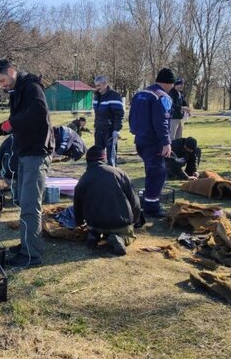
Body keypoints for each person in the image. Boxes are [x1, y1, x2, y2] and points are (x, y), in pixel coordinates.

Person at [0, 59, 54, 267]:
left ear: (12, 71)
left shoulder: (31, 87)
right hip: (25, 153)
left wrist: (10, 124)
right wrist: (0, 128)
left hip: (37, 152)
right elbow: (19, 118)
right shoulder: (17, 90)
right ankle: (26, 245)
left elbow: (38, 112)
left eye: (3, 80)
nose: (3, 85)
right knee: (24, 203)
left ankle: (31, 255)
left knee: (31, 206)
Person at [73, 146, 142, 256]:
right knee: (129, 235)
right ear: (104, 159)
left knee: (98, 228)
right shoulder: (120, 173)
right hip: (121, 223)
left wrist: (79, 223)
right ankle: (121, 239)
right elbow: (135, 202)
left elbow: (77, 205)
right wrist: (135, 219)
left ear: (87, 161)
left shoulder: (83, 179)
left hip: (95, 224)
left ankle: (94, 235)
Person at [128, 68, 176, 218]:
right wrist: (166, 142)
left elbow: (131, 116)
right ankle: (152, 206)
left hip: (140, 139)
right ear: (169, 83)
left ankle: (147, 200)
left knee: (150, 171)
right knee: (157, 173)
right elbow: (161, 121)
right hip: (153, 141)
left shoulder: (140, 94)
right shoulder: (162, 96)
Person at [92, 76, 124, 166]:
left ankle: (113, 176)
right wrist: (96, 126)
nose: (97, 88)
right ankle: (100, 176)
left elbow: (119, 115)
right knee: (98, 156)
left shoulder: (114, 96)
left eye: (99, 85)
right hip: (99, 129)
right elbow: (97, 114)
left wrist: (116, 130)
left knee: (111, 158)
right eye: (96, 85)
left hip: (110, 131)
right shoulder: (96, 96)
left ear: (106, 84)